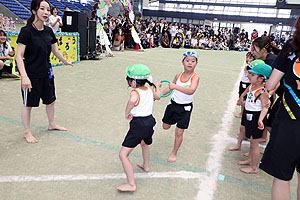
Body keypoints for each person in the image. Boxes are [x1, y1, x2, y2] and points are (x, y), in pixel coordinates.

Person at [16, 0, 73, 143]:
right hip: (31, 75)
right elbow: (19, 55)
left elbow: (55, 50)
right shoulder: (26, 31)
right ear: (34, 11)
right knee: (28, 104)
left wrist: (65, 61)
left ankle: (51, 123)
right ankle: (27, 132)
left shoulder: (48, 31)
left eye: (48, 9)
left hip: (47, 72)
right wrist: (24, 76)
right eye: (42, 9)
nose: (46, 12)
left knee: (51, 100)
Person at [259, 16, 300, 199]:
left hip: (290, 121)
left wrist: (265, 93)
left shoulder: (292, 47)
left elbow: (271, 84)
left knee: (282, 178)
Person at [118, 64, 161, 192]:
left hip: (139, 124)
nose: (128, 81)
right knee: (144, 143)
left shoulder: (135, 92)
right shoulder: (149, 89)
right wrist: (157, 87)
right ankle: (146, 166)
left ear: (134, 81)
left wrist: (127, 113)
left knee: (123, 155)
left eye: (129, 79)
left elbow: (132, 101)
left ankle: (131, 184)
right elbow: (158, 96)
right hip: (150, 121)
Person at [161, 50, 200, 162]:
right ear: (182, 62)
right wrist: (158, 95)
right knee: (165, 126)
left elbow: (191, 90)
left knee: (179, 131)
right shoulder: (178, 75)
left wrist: (175, 87)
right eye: (187, 60)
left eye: (193, 61)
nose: (190, 63)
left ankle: (174, 153)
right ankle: (175, 123)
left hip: (185, 108)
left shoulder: (195, 77)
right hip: (173, 105)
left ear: (196, 63)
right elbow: (169, 88)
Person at [237, 63, 272, 174]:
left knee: (254, 143)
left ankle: (254, 168)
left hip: (256, 118)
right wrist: (242, 100)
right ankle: (250, 160)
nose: (249, 76)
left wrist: (260, 119)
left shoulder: (262, 92)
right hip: (249, 115)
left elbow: (265, 108)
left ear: (261, 78)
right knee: (252, 141)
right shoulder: (252, 86)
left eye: (252, 75)